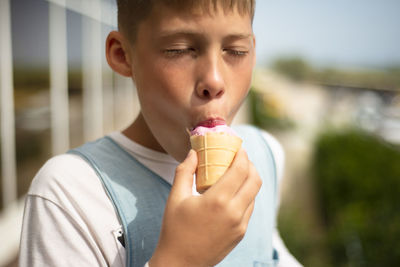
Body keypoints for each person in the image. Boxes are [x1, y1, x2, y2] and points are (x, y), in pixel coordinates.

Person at [19, 0, 302, 266]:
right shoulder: (70, 196)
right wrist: (179, 259)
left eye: (236, 51)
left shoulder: (265, 155)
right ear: (122, 55)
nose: (214, 80)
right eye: (179, 49)